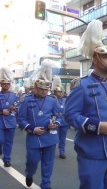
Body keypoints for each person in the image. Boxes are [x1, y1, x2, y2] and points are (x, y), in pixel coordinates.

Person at [64, 20, 107, 189]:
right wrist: (96, 126)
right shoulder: (81, 85)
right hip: (91, 153)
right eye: (105, 57)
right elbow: (70, 115)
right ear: (95, 59)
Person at [17, 59, 61, 189]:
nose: (44, 92)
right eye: (41, 89)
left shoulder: (52, 101)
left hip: (50, 137)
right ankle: (29, 173)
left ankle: (46, 185)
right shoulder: (27, 101)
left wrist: (56, 123)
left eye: (46, 89)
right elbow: (21, 119)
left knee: (48, 163)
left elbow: (60, 116)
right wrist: (31, 129)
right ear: (35, 88)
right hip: (33, 137)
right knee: (32, 161)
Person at [0, 67, 18, 167]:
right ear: (1, 84)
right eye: (4, 84)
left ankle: (7, 159)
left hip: (11, 121)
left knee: (9, 142)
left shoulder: (14, 95)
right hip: (0, 121)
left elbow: (19, 106)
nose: (6, 85)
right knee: (0, 140)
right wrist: (2, 112)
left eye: (8, 83)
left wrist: (15, 108)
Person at [52, 76, 69, 159]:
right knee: (54, 138)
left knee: (62, 139)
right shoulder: (52, 100)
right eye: (58, 92)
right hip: (55, 121)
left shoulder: (65, 100)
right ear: (54, 92)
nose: (60, 93)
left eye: (61, 92)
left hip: (64, 121)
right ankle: (51, 152)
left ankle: (62, 152)